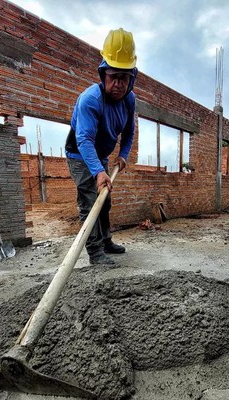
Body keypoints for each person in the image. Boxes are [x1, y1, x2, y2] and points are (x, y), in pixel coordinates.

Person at [65, 28, 138, 265]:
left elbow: (128, 132)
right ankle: (96, 253)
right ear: (103, 75)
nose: (118, 84)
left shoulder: (129, 100)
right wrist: (98, 172)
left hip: (102, 155)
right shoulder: (90, 100)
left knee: (105, 200)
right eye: (113, 77)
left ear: (131, 78)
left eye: (123, 78)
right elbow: (84, 140)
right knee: (89, 201)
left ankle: (106, 241)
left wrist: (123, 155)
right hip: (79, 154)